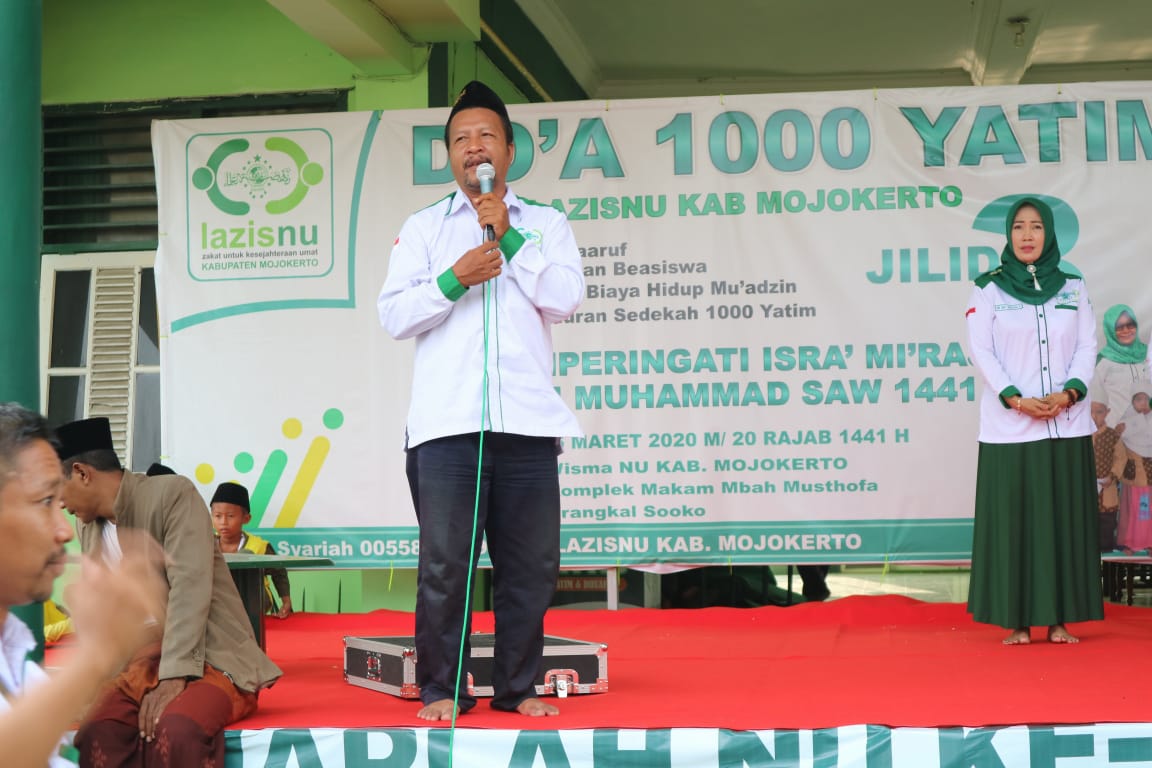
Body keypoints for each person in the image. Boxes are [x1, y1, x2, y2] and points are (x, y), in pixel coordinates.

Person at [377, 80, 584, 720]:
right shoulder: (423, 228)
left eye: (486, 135)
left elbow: (565, 298)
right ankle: (444, 689)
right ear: (449, 156)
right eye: (461, 139)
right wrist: (453, 278)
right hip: (447, 429)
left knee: (530, 569)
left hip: (527, 426)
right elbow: (394, 315)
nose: (474, 147)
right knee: (447, 568)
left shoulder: (545, 224)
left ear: (510, 152)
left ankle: (518, 689)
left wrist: (511, 240)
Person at [55, 416, 282, 764]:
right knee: (100, 729)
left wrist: (174, 675)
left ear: (82, 473)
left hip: (212, 655)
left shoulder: (173, 494)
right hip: (142, 662)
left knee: (176, 730)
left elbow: (189, 586)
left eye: (58, 487)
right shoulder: (88, 527)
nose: (58, 502)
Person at [964, 196, 1103, 645]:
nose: (1027, 235)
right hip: (1011, 428)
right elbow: (981, 350)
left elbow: (1087, 345)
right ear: (1008, 234)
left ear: (1049, 234)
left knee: (1063, 523)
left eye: (1036, 227)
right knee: (1016, 525)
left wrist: (1069, 393)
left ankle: (1060, 619)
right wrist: (1016, 399)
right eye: (1019, 227)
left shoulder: (1073, 288)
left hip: (1067, 422)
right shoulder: (988, 289)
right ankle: (1018, 621)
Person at [0, 403, 165, 768]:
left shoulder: (23, 669)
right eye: (45, 502)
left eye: (60, 504)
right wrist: (95, 654)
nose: (63, 531)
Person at [210, 481, 292, 618]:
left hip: (254, 604)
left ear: (246, 519)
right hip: (219, 606)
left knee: (245, 555)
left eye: (230, 516)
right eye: (218, 516)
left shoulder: (260, 546)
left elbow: (279, 572)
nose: (223, 522)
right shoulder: (206, 544)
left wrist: (286, 601)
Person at [1094, 304, 1152, 432]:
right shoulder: (1102, 361)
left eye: (1130, 325)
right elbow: (1094, 403)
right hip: (1118, 432)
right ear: (1110, 330)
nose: (1126, 330)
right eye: (1119, 327)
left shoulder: (1148, 354)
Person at [1117, 380, 1152, 552]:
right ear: (1132, 401)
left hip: (1149, 472)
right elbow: (1123, 433)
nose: (1143, 403)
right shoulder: (1128, 417)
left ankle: (1148, 542)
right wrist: (1140, 419)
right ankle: (1131, 542)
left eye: (1146, 399)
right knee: (1135, 508)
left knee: (1147, 509)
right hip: (1135, 473)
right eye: (1139, 399)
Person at [1089, 395, 1127, 551]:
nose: (1094, 416)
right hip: (1083, 489)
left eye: (1099, 412)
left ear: (1107, 412)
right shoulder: (1080, 436)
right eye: (1090, 412)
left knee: (1106, 523)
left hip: (1107, 488)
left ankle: (1106, 554)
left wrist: (1112, 476)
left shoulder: (1112, 435)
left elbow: (1121, 458)